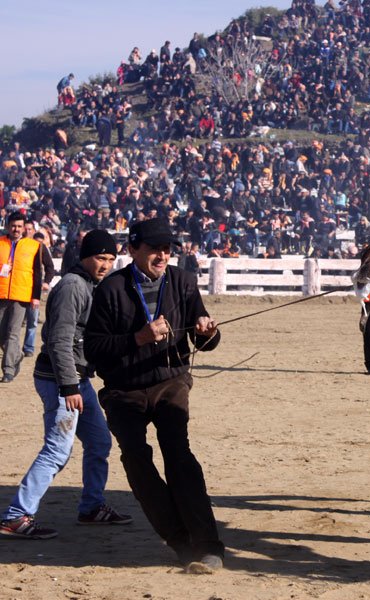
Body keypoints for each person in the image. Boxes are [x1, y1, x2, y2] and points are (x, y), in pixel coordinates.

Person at [84, 217, 224, 574]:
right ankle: (179, 540)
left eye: (167, 249)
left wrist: (209, 332)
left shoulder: (183, 281)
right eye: (153, 249)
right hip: (123, 390)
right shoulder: (111, 289)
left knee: (179, 455)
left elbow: (202, 338)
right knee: (137, 462)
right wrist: (138, 338)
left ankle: (208, 546)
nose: (162, 256)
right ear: (132, 251)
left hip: (170, 382)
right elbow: (94, 350)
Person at [0, 231, 132, 539]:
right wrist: (69, 386)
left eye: (111, 260)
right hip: (60, 380)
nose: (105, 265)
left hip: (76, 379)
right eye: (101, 258)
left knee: (99, 442)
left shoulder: (90, 284)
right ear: (85, 257)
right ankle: (16, 516)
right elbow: (59, 340)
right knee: (57, 451)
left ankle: (91, 507)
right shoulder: (73, 286)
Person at [1, 212, 43, 382]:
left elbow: (38, 273)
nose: (16, 229)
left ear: (24, 227)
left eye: (19, 226)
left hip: (22, 295)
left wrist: (36, 296)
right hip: (1, 293)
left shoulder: (33, 246)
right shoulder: (1, 243)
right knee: (2, 334)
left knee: (12, 333)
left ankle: (8, 370)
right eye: (13, 226)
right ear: (7, 226)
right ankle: (16, 355)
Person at [22, 226, 56, 357]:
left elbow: (50, 267)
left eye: (30, 229)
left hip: (34, 289)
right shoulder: (20, 246)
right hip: (19, 288)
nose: (28, 231)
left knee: (32, 320)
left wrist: (46, 281)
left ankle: (28, 347)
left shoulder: (41, 248)